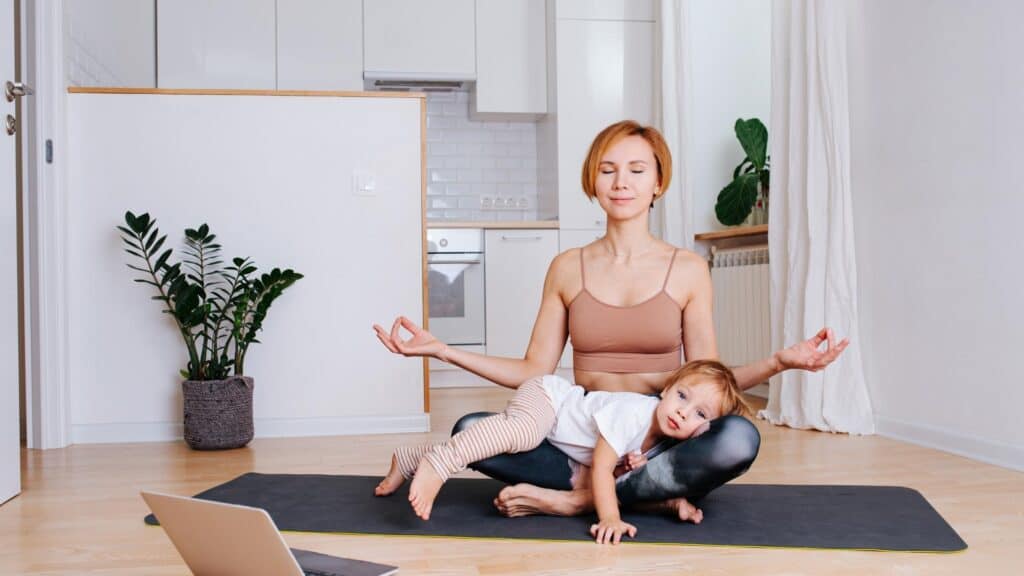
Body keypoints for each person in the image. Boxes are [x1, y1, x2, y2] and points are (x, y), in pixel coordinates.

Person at [373, 119, 848, 521]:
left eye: (637, 170)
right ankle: (630, 492)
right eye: (608, 170)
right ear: (593, 182)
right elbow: (532, 371)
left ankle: (575, 500)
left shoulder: (687, 270)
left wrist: (781, 362)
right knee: (473, 427)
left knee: (737, 437)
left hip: (657, 439)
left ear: (658, 183)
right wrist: (442, 351)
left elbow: (709, 382)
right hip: (580, 440)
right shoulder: (567, 267)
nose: (622, 182)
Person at [375, 360, 750, 544]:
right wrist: (610, 519)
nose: (683, 411)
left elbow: (633, 477)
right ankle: (439, 463)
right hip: (549, 400)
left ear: (704, 430)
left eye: (699, 414)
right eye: (682, 396)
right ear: (666, 389)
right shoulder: (634, 413)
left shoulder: (666, 439)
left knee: (557, 463)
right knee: (520, 432)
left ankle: (411, 458)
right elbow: (603, 470)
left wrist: (669, 499)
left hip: (563, 446)